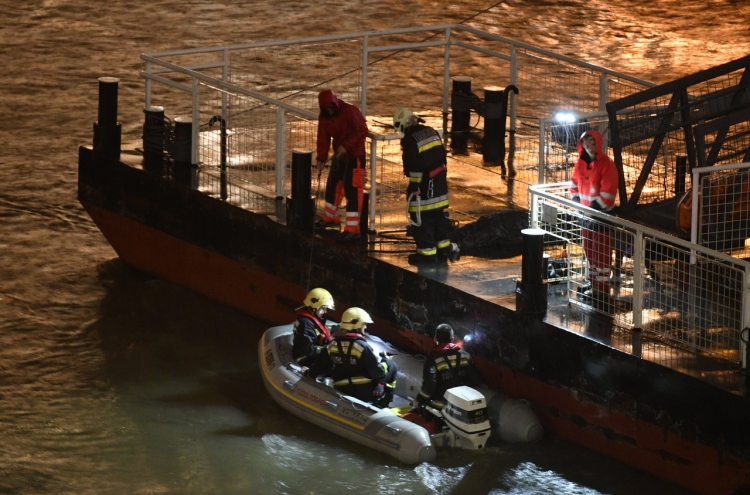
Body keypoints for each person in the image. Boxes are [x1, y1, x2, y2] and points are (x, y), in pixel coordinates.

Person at [393, 107, 460, 265]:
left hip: (424, 186)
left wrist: (414, 187)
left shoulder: (410, 139)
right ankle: (443, 247)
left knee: (420, 218)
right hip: (439, 182)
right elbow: (442, 157)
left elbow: (412, 168)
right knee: (438, 216)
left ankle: (427, 253)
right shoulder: (431, 131)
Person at [307, 307, 398, 408]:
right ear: (357, 325)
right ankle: (384, 401)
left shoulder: (332, 345)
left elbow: (320, 367)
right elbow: (377, 372)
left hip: (341, 388)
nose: (366, 327)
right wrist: (385, 360)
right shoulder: (362, 347)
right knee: (392, 366)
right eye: (364, 324)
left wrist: (308, 372)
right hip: (364, 393)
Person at [315, 89, 369, 243]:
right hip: (340, 156)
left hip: (355, 156)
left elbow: (362, 131)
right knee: (333, 186)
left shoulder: (350, 111)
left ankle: (353, 230)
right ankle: (330, 218)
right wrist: (321, 158)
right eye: (326, 109)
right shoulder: (324, 117)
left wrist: (346, 146)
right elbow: (323, 138)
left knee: (353, 192)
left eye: (330, 108)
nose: (329, 111)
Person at [570, 129, 619, 301]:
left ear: (598, 144)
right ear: (582, 145)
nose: (589, 147)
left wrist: (591, 208)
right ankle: (592, 282)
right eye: (586, 143)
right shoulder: (580, 163)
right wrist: (576, 202)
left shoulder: (607, 165)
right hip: (586, 215)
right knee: (589, 251)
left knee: (602, 253)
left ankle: (602, 288)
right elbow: (575, 184)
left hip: (601, 216)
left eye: (592, 143)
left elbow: (608, 192)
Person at [415, 323, 480, 410]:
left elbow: (429, 385)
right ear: (453, 339)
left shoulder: (433, 358)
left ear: (435, 338)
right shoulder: (466, 356)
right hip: (461, 406)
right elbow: (474, 380)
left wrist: (419, 400)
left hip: (440, 406)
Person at [292, 288, 335, 368]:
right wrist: (330, 348)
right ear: (314, 307)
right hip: (305, 358)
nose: (325, 311)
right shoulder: (305, 323)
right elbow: (310, 350)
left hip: (311, 354)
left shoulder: (310, 320)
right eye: (323, 308)